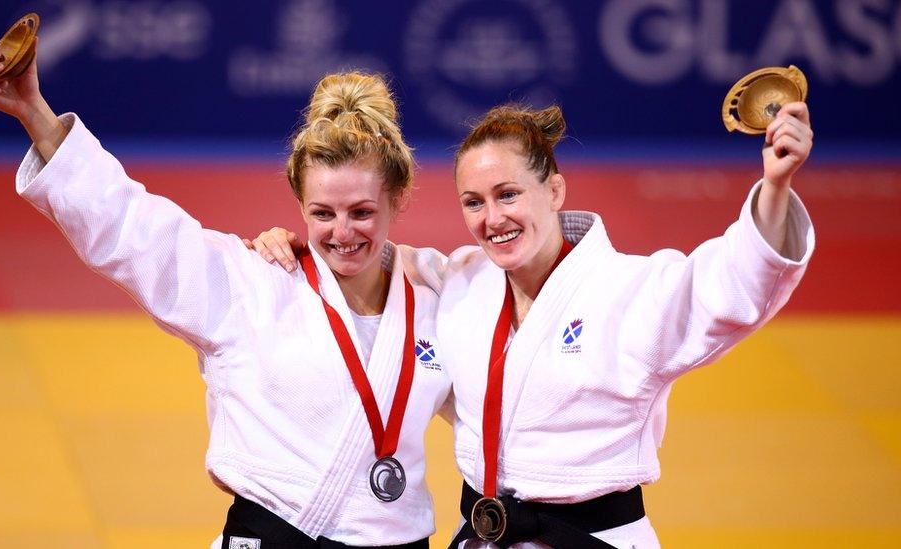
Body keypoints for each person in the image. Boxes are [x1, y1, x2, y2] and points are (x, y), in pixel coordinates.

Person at [251, 101, 814, 548]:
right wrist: (296, 250)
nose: (492, 219)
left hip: (591, 538)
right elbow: (367, 257)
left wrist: (774, 190)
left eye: (508, 194)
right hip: (482, 537)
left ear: (555, 189)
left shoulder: (631, 290)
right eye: (473, 202)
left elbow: (724, 289)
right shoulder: (461, 282)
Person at [0, 40, 452, 548]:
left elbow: (525, 282)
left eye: (361, 212)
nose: (342, 233)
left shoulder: (439, 291)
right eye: (322, 213)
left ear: (398, 199)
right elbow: (131, 226)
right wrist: (33, 111)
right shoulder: (253, 280)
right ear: (299, 203)